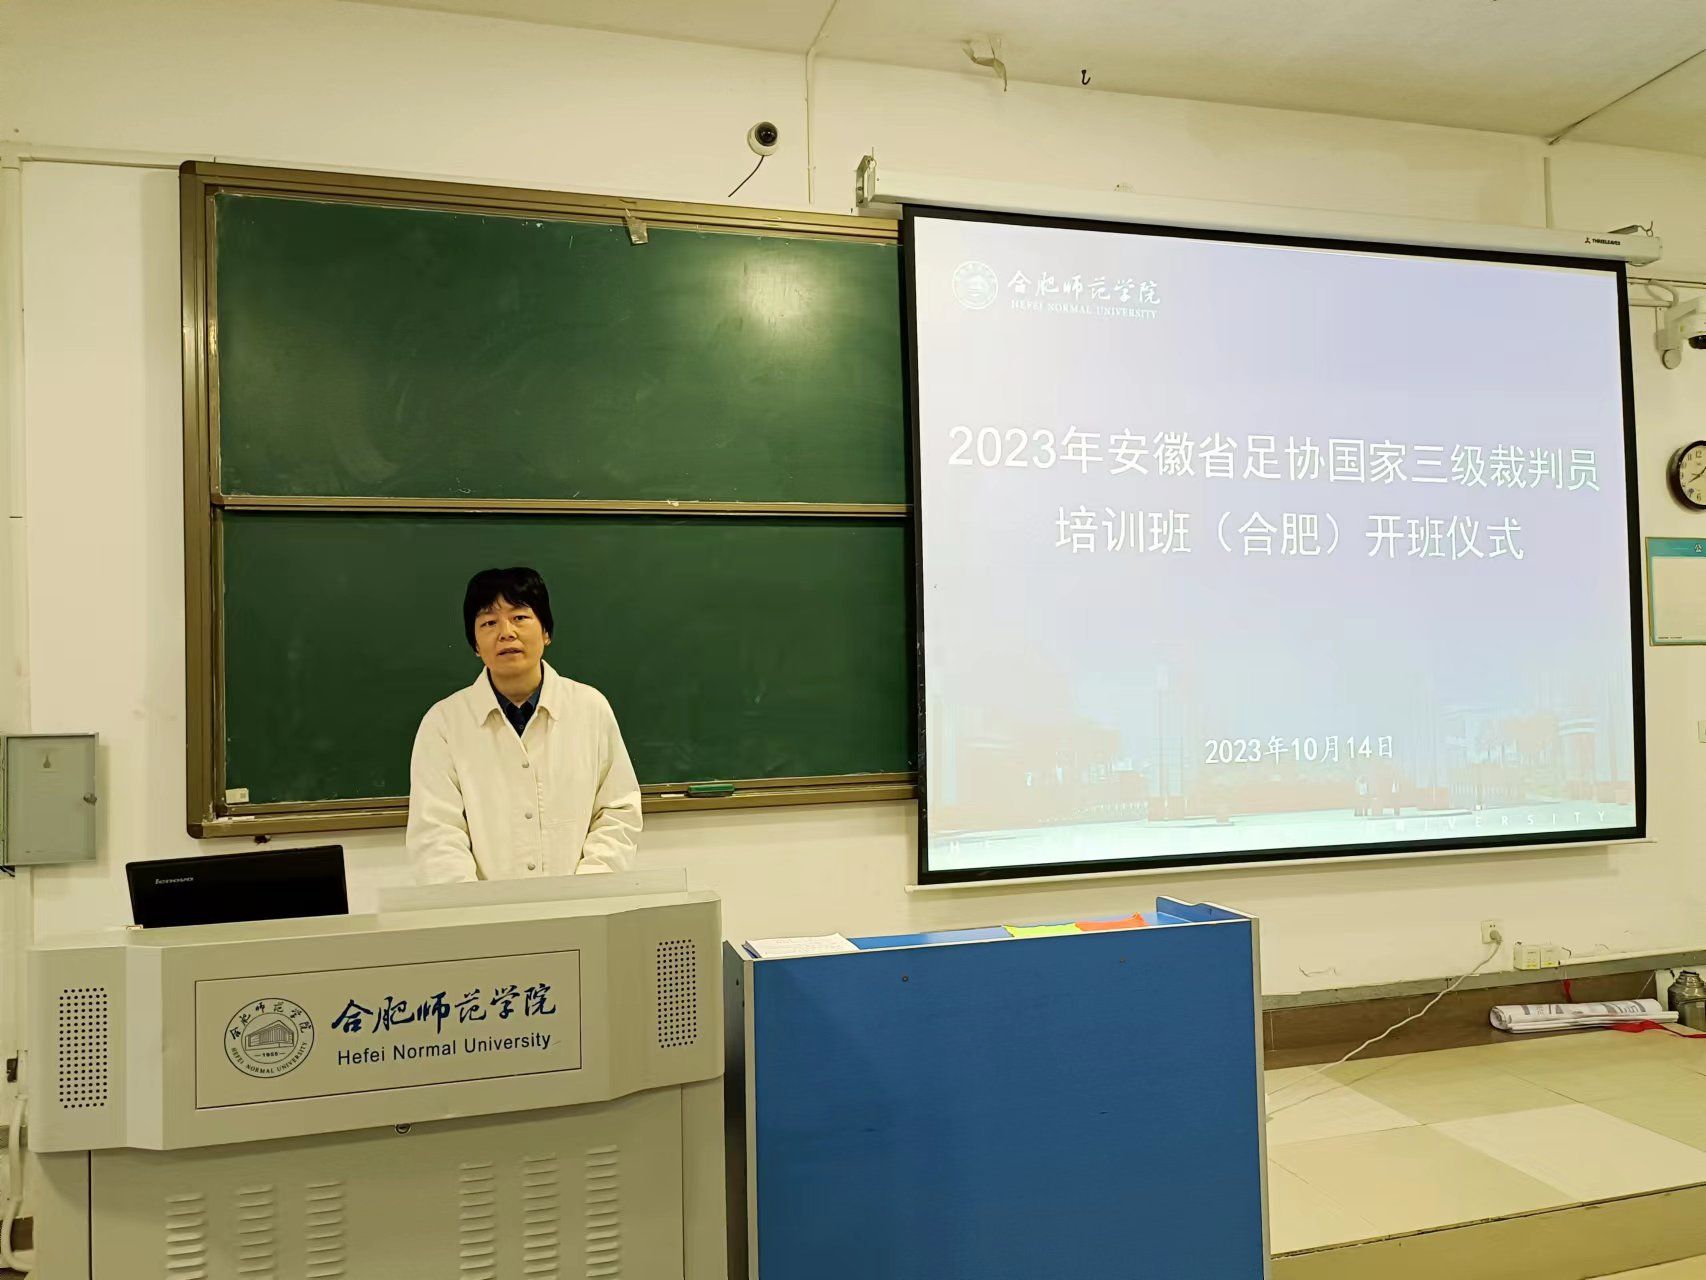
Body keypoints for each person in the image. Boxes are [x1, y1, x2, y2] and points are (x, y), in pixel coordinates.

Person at [407, 566, 641, 882]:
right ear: (475, 644)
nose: (506, 632)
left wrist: (587, 888)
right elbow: (436, 832)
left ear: (546, 632)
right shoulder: (444, 723)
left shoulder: (590, 708)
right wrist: (473, 903)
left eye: (519, 617)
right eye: (489, 622)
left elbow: (617, 811)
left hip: (582, 903)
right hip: (482, 909)